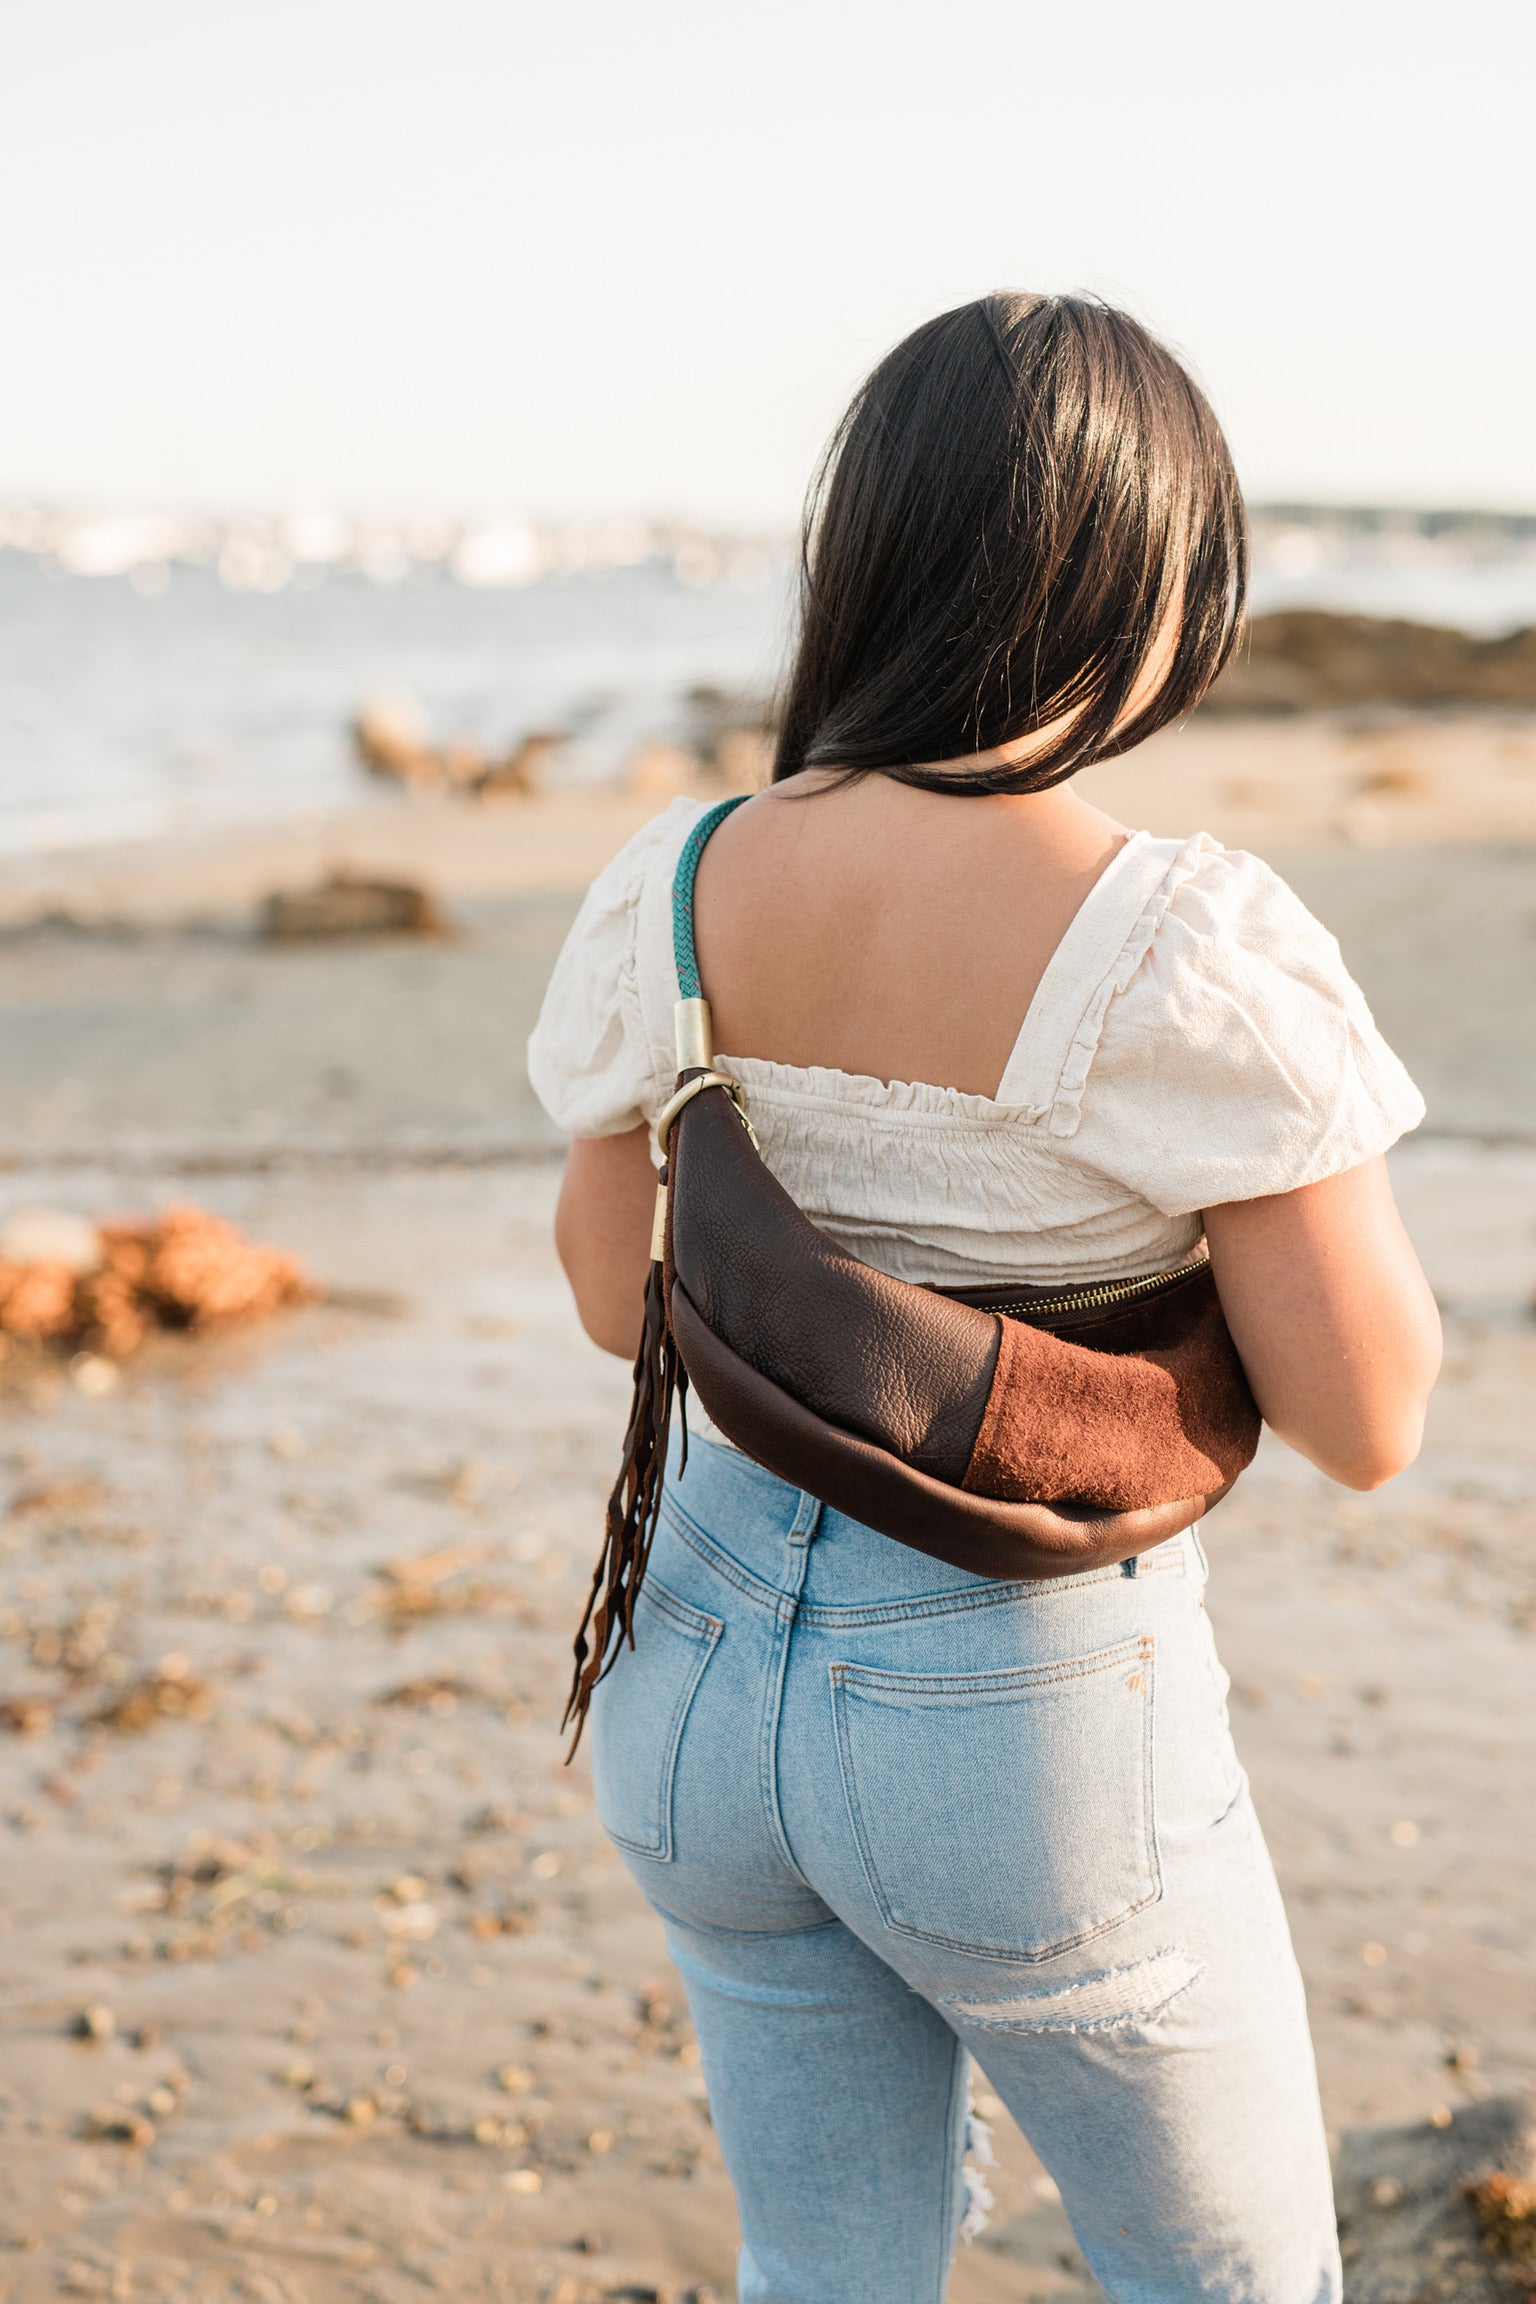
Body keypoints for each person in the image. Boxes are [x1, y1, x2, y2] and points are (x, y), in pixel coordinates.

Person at [527, 292, 1441, 2304]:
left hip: (686, 1673)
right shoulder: (1188, 940)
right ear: (1152, 576)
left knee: (826, 2273)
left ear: (866, 556)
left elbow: (618, 1299)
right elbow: (1371, 1422)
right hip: (1010, 1716)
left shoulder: (667, 883)